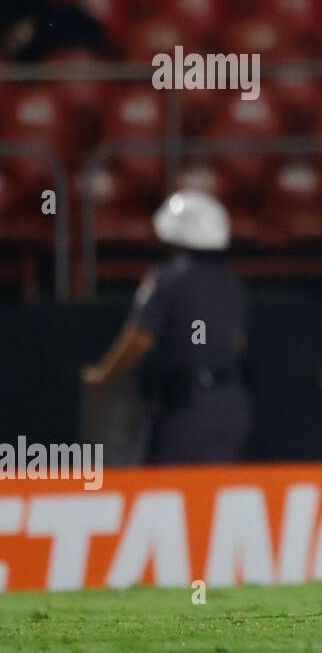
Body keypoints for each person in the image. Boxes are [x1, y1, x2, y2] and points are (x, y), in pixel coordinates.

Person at [81, 191, 252, 464]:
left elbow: (138, 340)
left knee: (176, 494)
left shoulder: (168, 280)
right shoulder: (232, 282)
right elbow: (238, 342)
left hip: (186, 408)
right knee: (214, 494)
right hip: (231, 404)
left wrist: (105, 377)